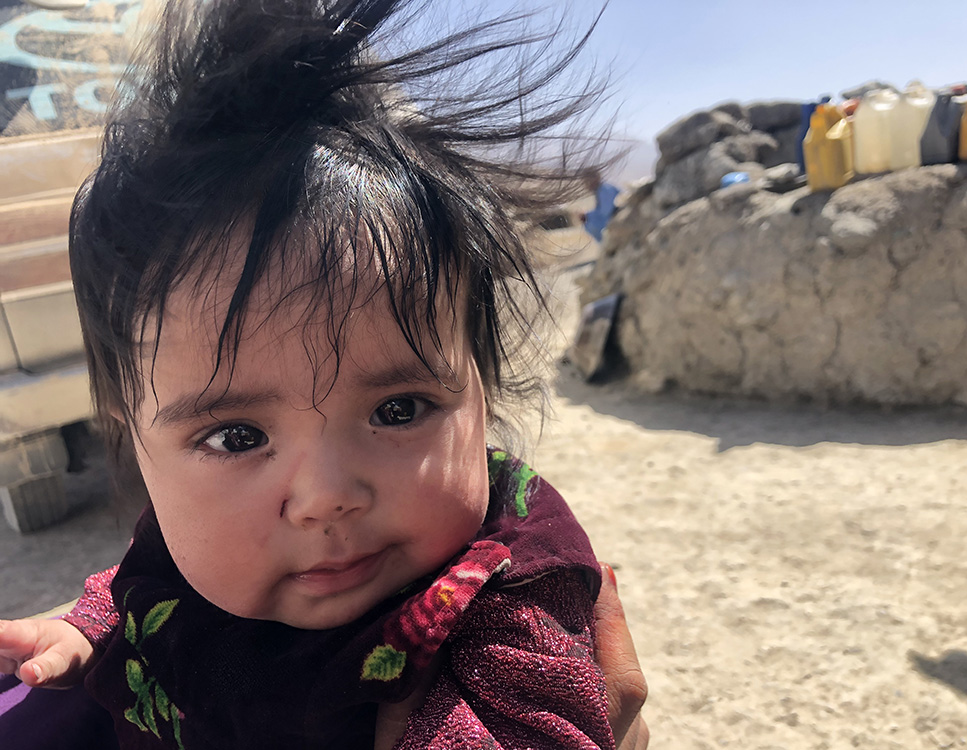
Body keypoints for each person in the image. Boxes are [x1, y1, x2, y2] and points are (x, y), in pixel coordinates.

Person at [0, 0, 647, 748]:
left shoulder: (505, 596)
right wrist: (90, 628)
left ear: (479, 382)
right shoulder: (198, 542)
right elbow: (143, 580)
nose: (326, 497)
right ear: (130, 428)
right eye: (238, 436)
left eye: (399, 410)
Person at [579, 168, 620, 243]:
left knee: (591, 223)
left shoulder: (605, 190)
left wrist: (587, 215)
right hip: (614, 219)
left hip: (617, 219)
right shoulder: (601, 190)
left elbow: (606, 211)